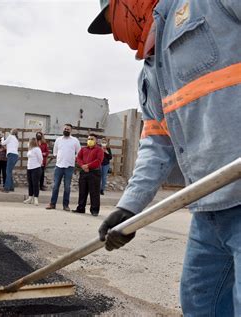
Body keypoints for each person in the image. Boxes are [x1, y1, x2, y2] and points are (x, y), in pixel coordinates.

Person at [89, 1, 241, 315]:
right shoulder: (151, 71)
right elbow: (157, 144)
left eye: (111, 21)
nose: (115, 36)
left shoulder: (207, 4)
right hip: (207, 205)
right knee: (201, 304)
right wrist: (129, 208)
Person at [46, 124, 80, 211]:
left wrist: (73, 159)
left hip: (69, 166)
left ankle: (66, 205)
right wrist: (60, 158)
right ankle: (52, 204)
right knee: (55, 186)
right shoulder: (58, 140)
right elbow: (55, 152)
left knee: (67, 187)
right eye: (65, 129)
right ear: (63, 129)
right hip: (59, 166)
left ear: (71, 131)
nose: (66, 130)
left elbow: (79, 153)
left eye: (68, 129)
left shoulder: (75, 140)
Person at [72, 134, 104, 216]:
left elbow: (98, 160)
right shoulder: (83, 149)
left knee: (94, 192)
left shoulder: (99, 150)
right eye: (89, 139)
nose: (90, 140)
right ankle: (81, 208)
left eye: (92, 139)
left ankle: (94, 210)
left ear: (96, 140)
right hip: (83, 172)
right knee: (82, 191)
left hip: (94, 172)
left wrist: (88, 166)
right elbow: (78, 158)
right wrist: (82, 165)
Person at [23, 137, 43, 206]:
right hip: (29, 168)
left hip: (36, 168)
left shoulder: (37, 149)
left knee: (35, 184)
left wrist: (38, 165)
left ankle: (36, 198)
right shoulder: (30, 149)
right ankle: (30, 197)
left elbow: (40, 158)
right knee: (30, 183)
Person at [0, 129, 19, 193]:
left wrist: (2, 137)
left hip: (11, 155)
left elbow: (3, 143)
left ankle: (6, 188)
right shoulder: (16, 139)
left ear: (11, 132)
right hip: (15, 156)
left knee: (8, 172)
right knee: (9, 171)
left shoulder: (10, 136)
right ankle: (11, 187)